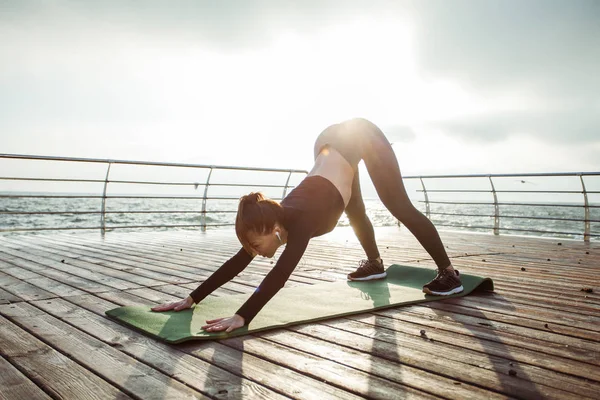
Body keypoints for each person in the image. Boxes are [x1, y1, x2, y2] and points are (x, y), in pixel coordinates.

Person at [151, 118, 463, 333]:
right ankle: (375, 263)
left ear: (272, 229)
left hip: (360, 135)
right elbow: (237, 263)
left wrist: (242, 316)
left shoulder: (300, 222)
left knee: (397, 205)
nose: (255, 253)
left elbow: (279, 275)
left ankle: (449, 273)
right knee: (353, 209)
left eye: (256, 246)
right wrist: (192, 299)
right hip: (327, 146)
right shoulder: (273, 221)